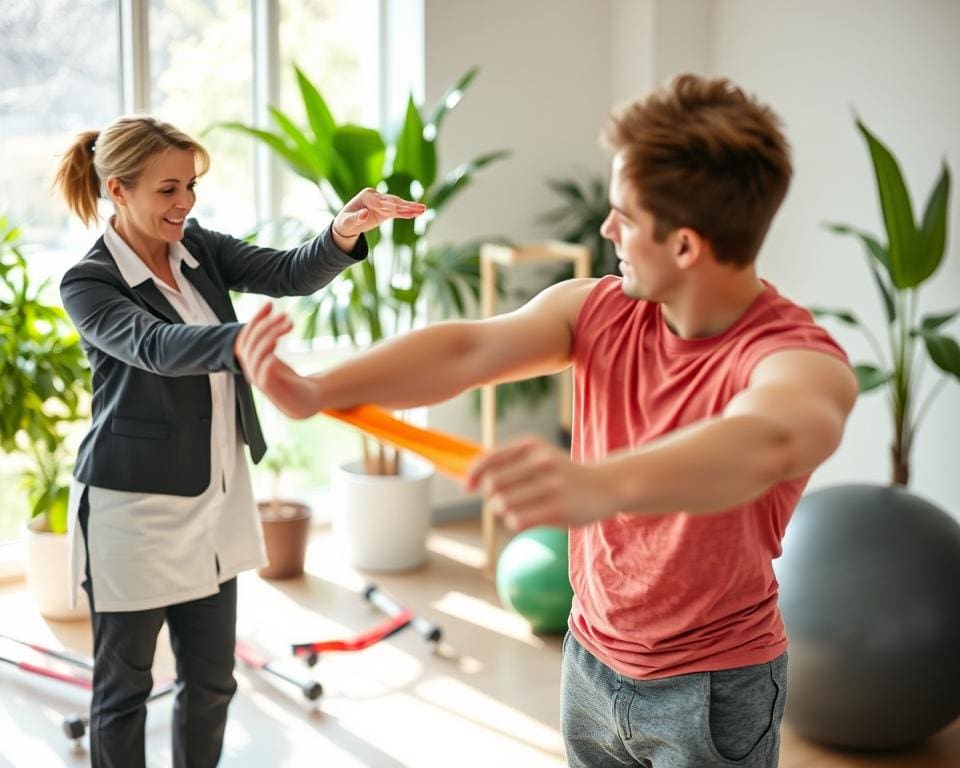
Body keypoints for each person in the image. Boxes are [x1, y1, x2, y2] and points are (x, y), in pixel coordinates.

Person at [235, 75, 857, 767]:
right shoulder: (598, 310)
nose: (605, 227)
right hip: (591, 656)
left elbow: (767, 439)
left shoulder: (794, 359)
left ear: (684, 246)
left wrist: (604, 484)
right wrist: (317, 389)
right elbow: (468, 348)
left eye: (624, 213)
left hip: (711, 685)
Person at [53, 114, 424, 768]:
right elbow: (152, 346)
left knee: (213, 681)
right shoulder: (89, 281)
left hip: (215, 495)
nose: (186, 203)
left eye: (191, 185)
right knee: (124, 692)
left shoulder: (195, 246)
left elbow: (286, 272)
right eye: (168, 190)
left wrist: (342, 231)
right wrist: (238, 343)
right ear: (118, 189)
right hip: (133, 508)